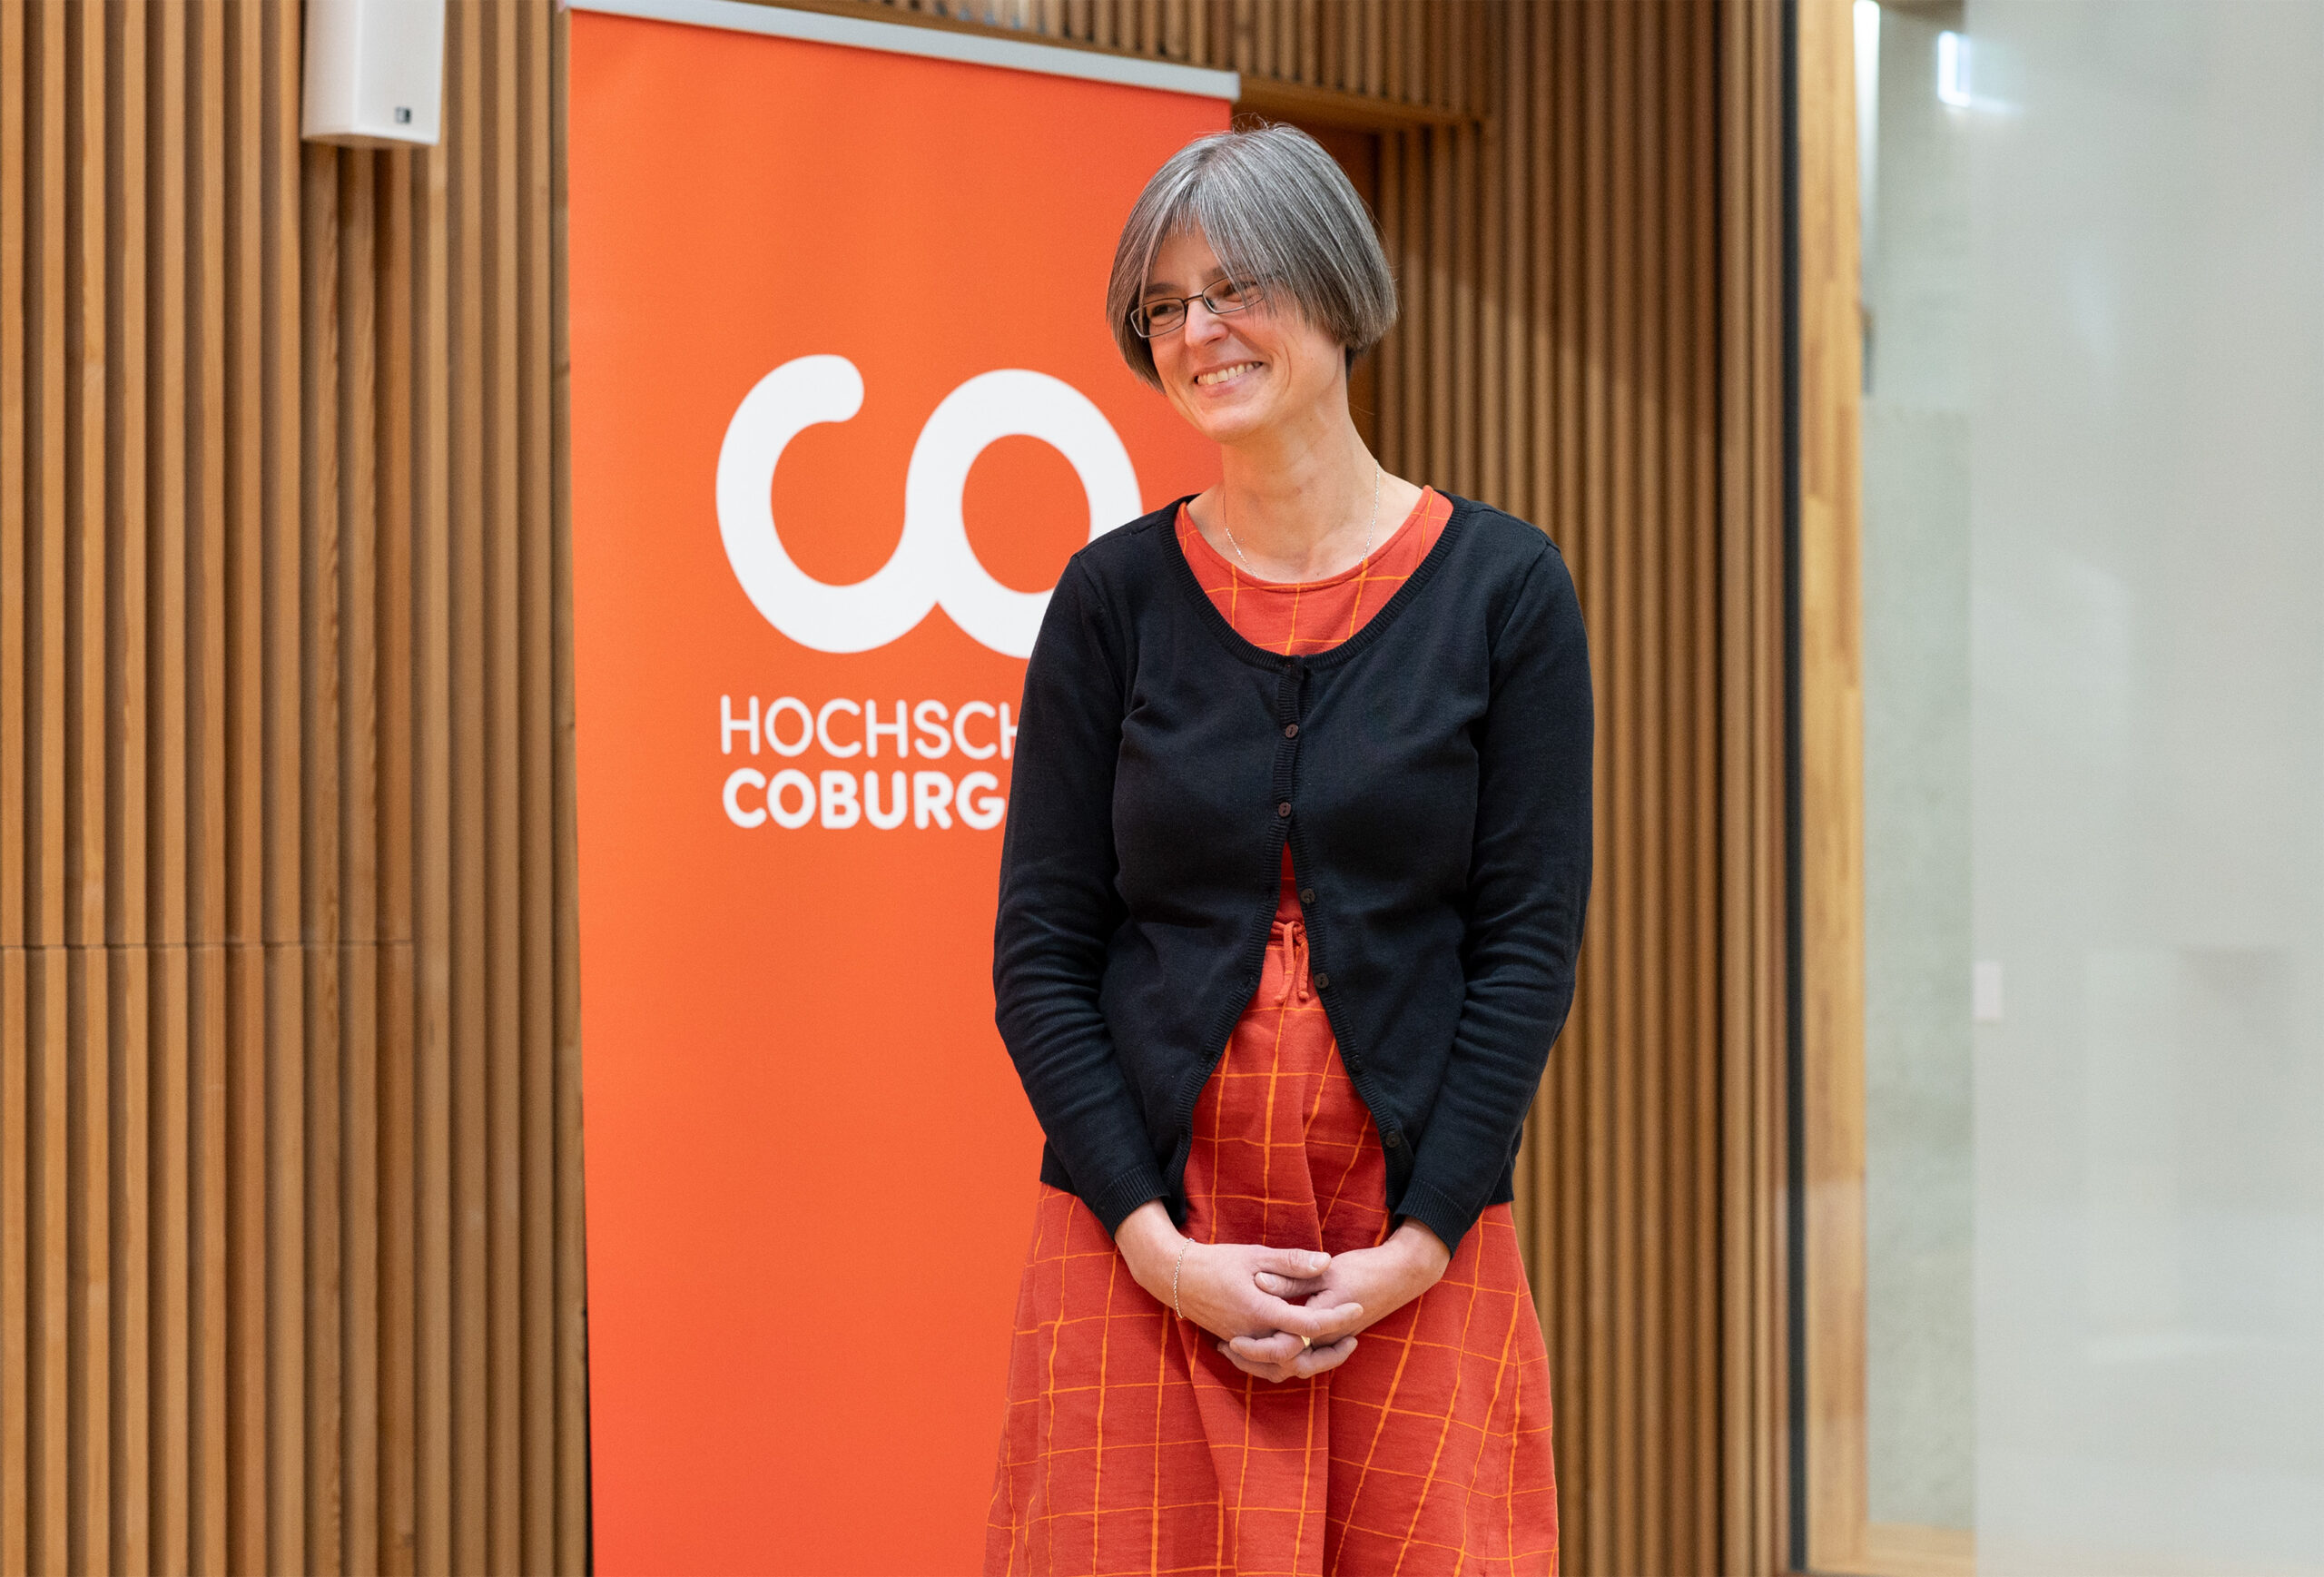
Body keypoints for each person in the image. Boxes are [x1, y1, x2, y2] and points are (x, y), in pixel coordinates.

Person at [985, 123, 1592, 1576]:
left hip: (1407, 1238)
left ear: (1333, 288)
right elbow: (1041, 954)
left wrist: (1421, 1241)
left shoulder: (1506, 591)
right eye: (1166, 306)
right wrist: (1155, 1243)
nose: (1200, 333)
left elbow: (1525, 947)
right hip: (1138, 1236)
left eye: (1233, 287)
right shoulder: (1110, 598)